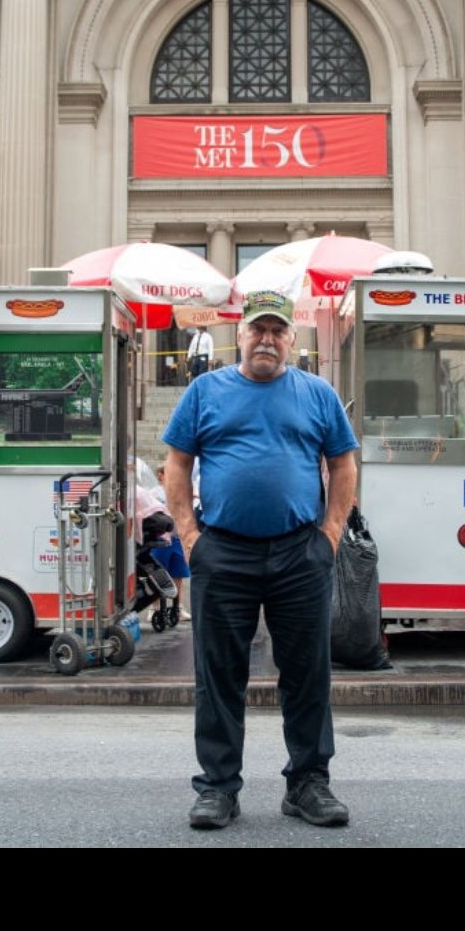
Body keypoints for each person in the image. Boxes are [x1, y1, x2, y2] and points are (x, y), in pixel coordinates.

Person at [163, 288, 359, 830]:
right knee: (218, 675)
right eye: (258, 329)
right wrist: (189, 536)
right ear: (241, 335)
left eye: (277, 330)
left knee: (307, 674)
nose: (266, 340)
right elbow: (176, 464)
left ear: (292, 339)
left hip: (300, 553)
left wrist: (331, 533)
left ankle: (308, 783)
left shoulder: (317, 394)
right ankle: (218, 788)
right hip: (223, 552)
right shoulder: (205, 391)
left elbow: (343, 465)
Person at [152, 461, 192, 617]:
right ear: (161, 476)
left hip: (177, 538)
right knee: (158, 574)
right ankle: (155, 608)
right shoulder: (154, 493)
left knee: (178, 574)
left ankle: (178, 607)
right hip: (160, 540)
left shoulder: (180, 490)